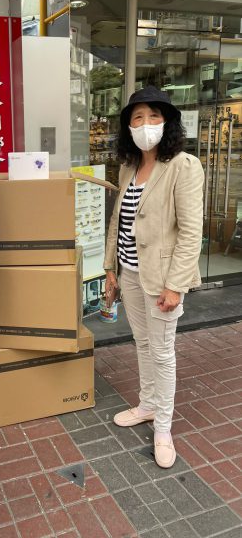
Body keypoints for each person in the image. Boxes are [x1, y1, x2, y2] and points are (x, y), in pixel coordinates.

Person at [103, 85, 204, 469]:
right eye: (138, 118)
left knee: (162, 352)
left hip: (162, 279)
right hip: (130, 272)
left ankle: (163, 427)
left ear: (167, 122)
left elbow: (191, 232)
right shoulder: (129, 167)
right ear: (129, 126)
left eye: (154, 116)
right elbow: (118, 221)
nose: (146, 124)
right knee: (143, 344)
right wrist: (110, 268)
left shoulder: (183, 166)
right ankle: (147, 405)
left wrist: (175, 286)